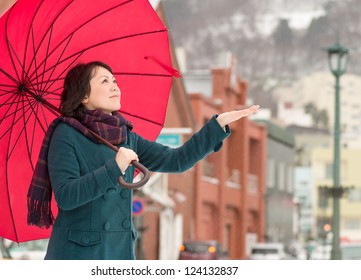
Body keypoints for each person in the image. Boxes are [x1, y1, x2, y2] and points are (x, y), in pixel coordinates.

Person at [27, 61, 259, 260]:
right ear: (84, 95)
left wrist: (217, 127)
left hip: (120, 255)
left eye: (114, 81)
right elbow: (67, 196)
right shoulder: (65, 134)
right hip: (79, 255)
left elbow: (177, 160)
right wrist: (114, 168)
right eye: (104, 81)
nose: (114, 86)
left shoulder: (125, 136)